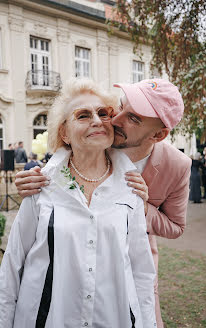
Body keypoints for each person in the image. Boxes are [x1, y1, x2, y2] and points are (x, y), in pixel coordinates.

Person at [14, 78, 192, 328]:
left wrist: (141, 207)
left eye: (134, 119)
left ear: (158, 135)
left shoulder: (178, 166)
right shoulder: (100, 135)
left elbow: (176, 226)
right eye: (121, 106)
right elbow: (74, 146)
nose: (116, 119)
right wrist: (40, 178)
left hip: (129, 260)